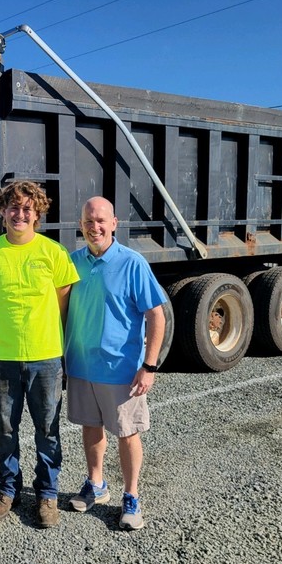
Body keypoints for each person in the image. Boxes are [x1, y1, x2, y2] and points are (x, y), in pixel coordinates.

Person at [0, 180, 79, 529]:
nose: (19, 214)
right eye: (13, 207)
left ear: (37, 214)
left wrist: (49, 341)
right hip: (3, 356)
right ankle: (7, 491)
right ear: (2, 211)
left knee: (47, 429)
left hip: (46, 356)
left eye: (27, 209)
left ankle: (47, 493)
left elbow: (63, 302)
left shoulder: (53, 252)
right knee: (5, 429)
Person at [64, 196, 166, 530]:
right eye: (88, 221)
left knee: (127, 432)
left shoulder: (132, 263)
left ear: (114, 223)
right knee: (90, 426)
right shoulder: (72, 262)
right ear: (81, 225)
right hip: (81, 366)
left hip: (121, 370)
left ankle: (131, 496)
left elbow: (156, 315)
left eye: (101, 221)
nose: (95, 227)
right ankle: (96, 484)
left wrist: (148, 366)